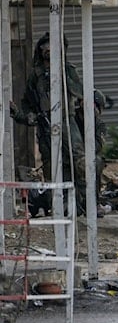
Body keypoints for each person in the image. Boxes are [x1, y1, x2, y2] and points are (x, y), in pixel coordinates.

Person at [13, 33, 105, 215]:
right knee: (52, 168)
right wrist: (22, 115)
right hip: (45, 125)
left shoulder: (68, 70)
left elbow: (80, 91)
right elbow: (28, 104)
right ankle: (60, 207)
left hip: (66, 121)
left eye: (52, 47)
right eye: (45, 47)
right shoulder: (36, 76)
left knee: (81, 162)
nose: (48, 50)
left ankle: (89, 203)